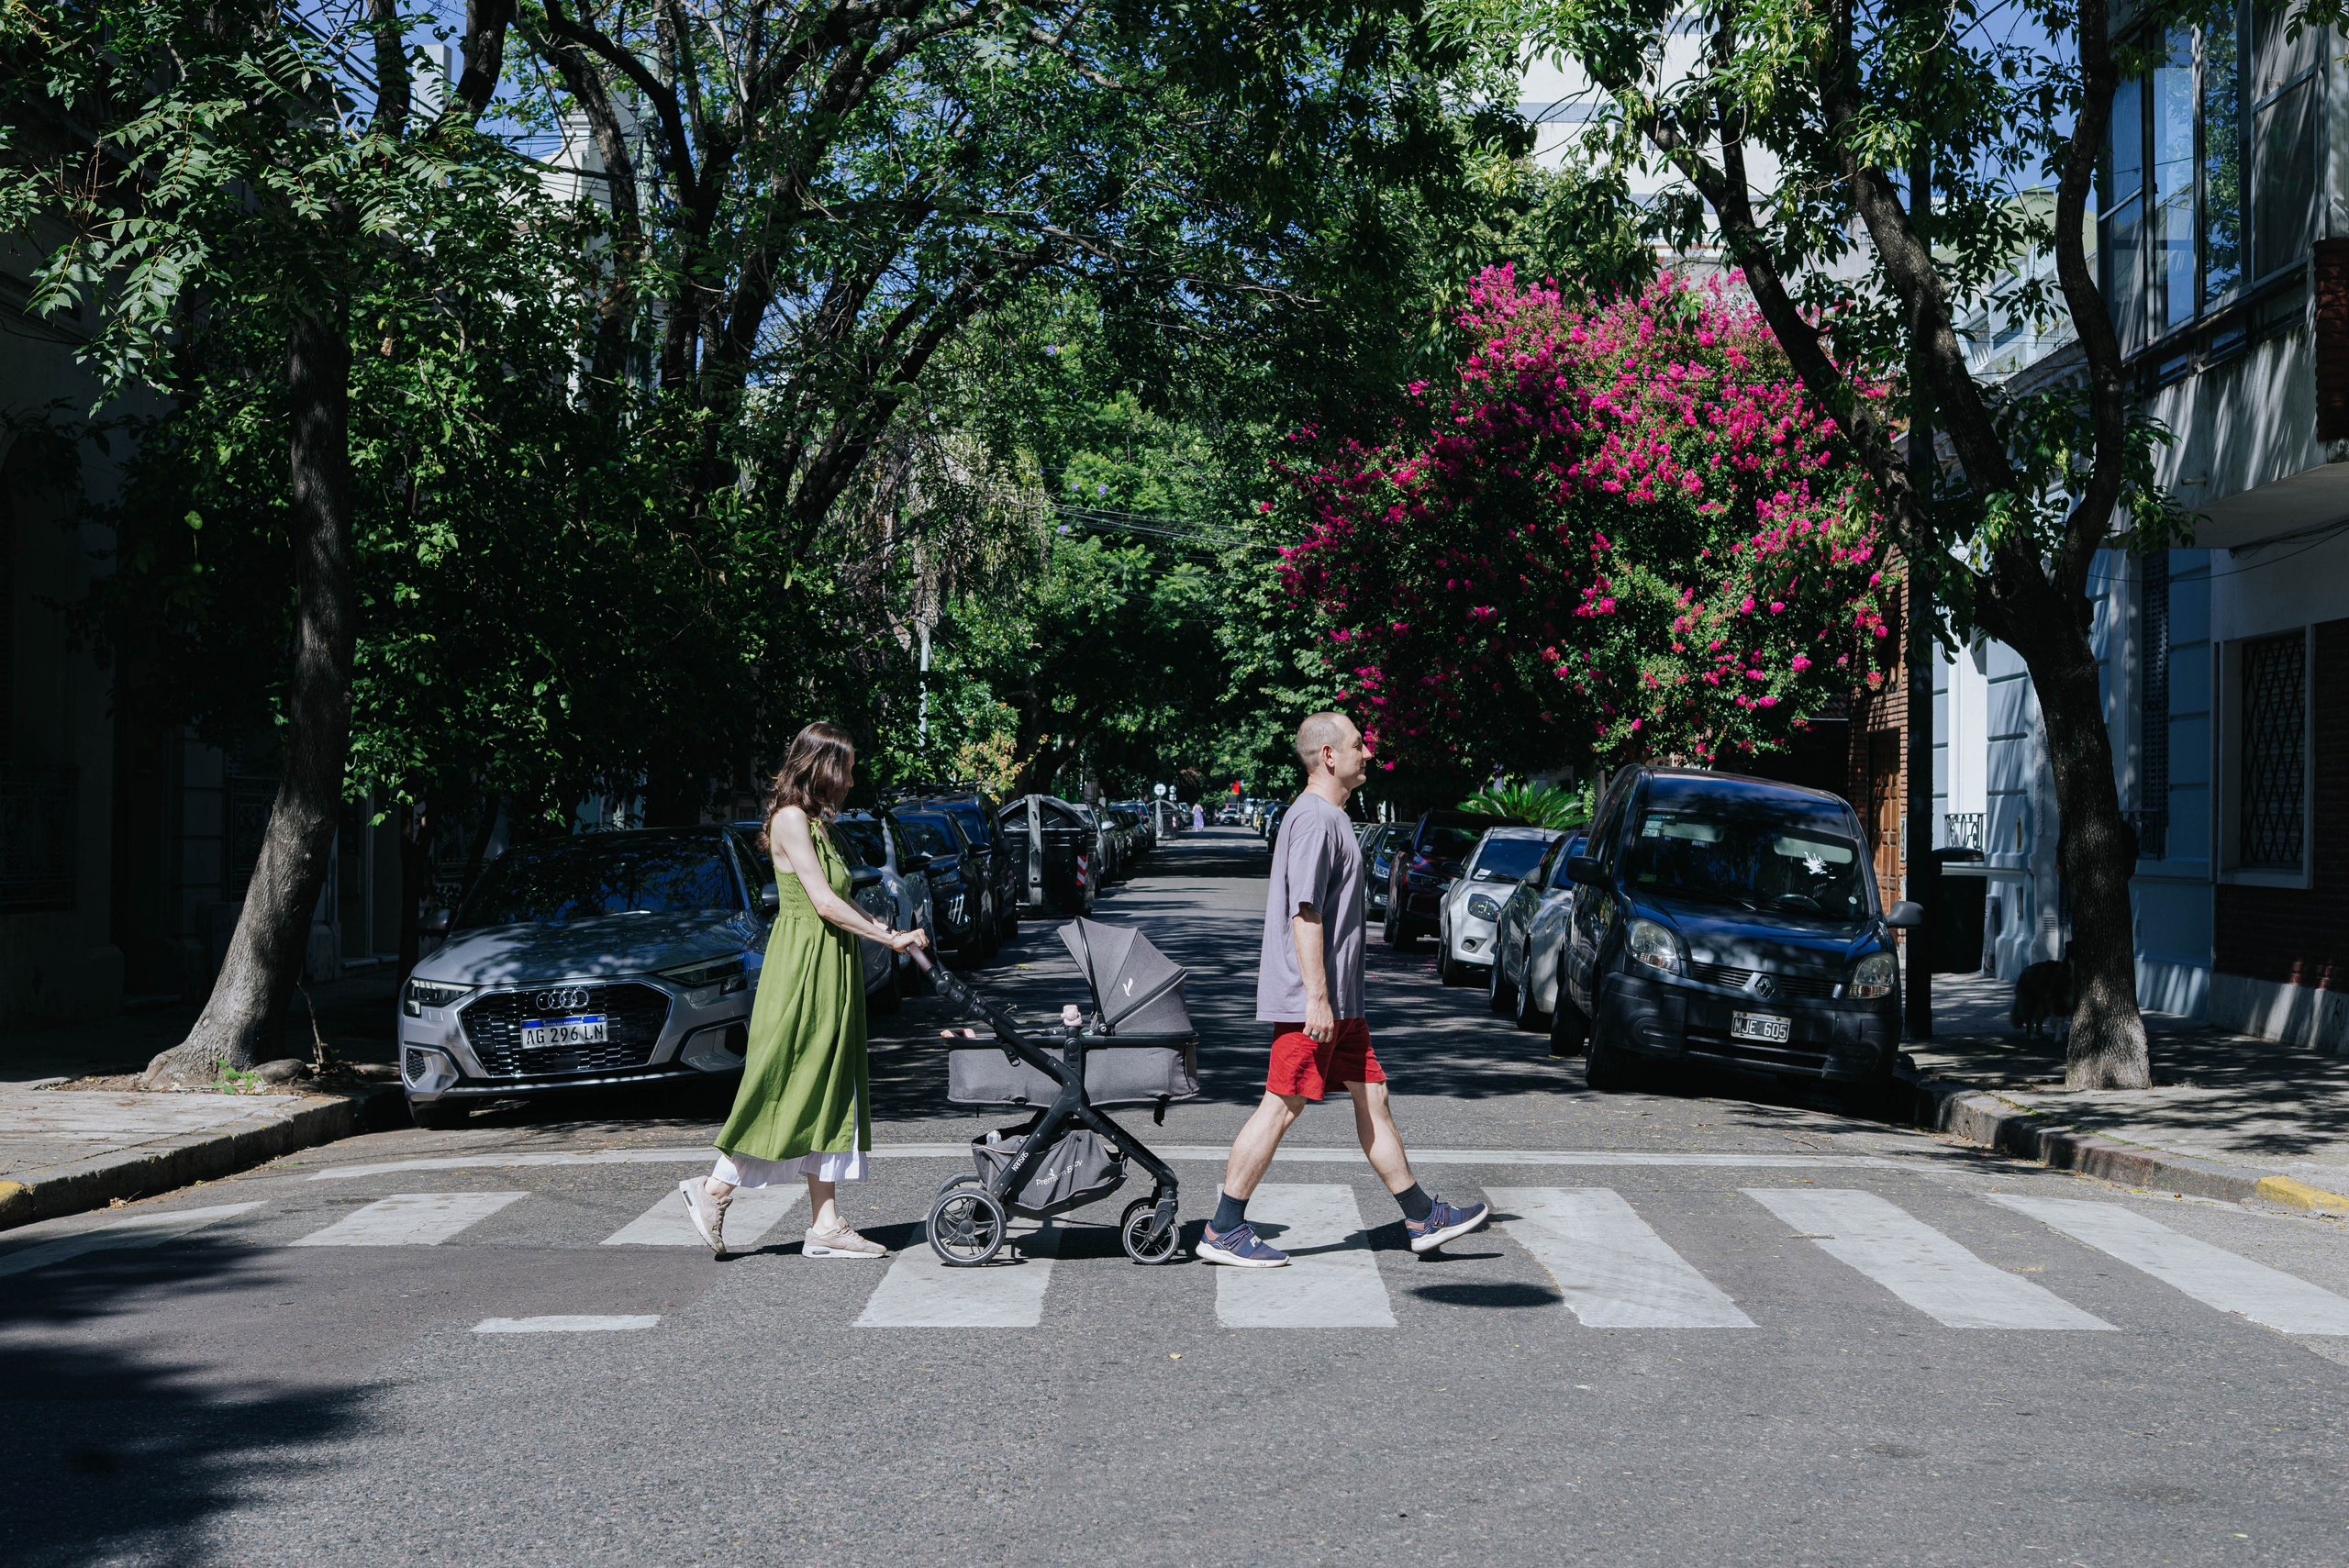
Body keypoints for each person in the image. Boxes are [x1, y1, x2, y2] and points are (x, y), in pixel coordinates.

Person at [1197, 711, 1488, 1267]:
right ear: (1329, 755)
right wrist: (1316, 998)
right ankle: (1223, 1229)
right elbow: (1304, 914)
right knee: (1281, 1105)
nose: (1368, 754)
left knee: (1373, 1096)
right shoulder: (1313, 820)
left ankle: (1421, 1216)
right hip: (1316, 1003)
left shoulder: (1331, 818)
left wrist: (1335, 999)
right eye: (1359, 745)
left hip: (1342, 1004)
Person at [678, 722, 927, 1260]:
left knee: (829, 1087)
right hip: (802, 971)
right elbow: (824, 903)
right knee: (789, 1084)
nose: (853, 778)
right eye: (848, 767)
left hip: (830, 968)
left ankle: (825, 1223)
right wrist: (889, 937)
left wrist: (894, 938)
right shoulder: (791, 819)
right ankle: (714, 1188)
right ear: (823, 766)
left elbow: (847, 900)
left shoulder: (820, 826)